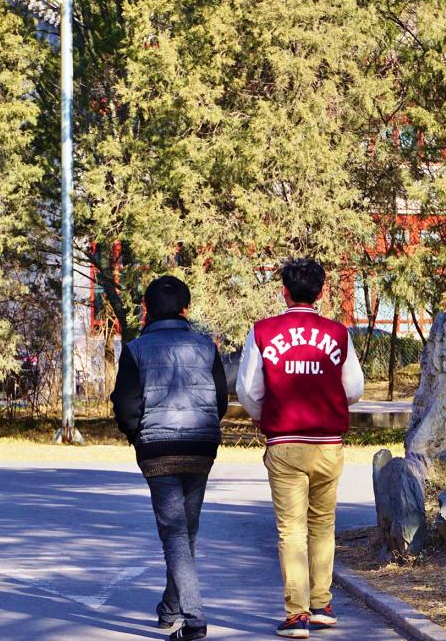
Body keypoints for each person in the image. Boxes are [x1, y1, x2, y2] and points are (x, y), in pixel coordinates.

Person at [236, 258, 364, 639]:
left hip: (285, 443)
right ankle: (322, 603)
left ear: (284, 291)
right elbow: (354, 388)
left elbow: (247, 389)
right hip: (328, 443)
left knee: (290, 529)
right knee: (322, 523)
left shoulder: (262, 332)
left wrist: (263, 416)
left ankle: (297, 615)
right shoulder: (338, 334)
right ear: (322, 291)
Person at [112, 275, 228, 641]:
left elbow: (126, 405)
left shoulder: (135, 349)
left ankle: (194, 619)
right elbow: (221, 400)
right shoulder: (207, 348)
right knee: (184, 532)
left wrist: (137, 437)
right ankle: (171, 608)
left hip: (158, 450)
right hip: (200, 447)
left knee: (176, 535)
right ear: (186, 308)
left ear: (146, 309)